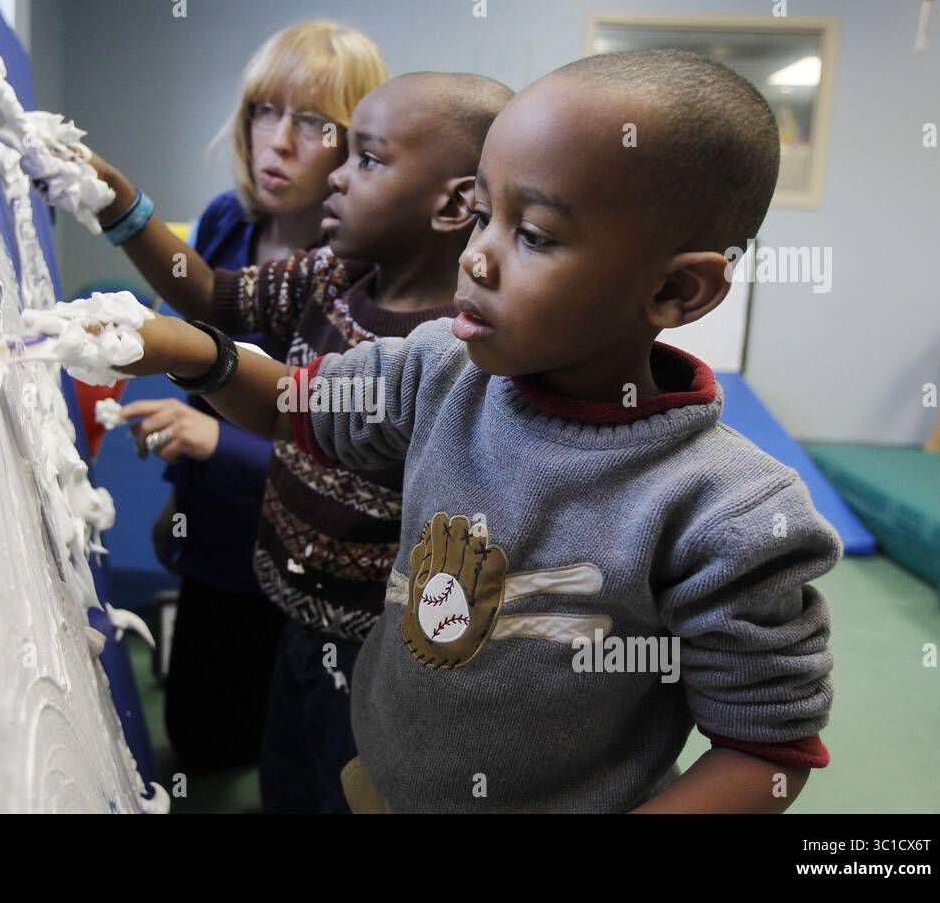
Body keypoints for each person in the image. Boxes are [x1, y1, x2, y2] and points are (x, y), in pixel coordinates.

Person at [119, 50, 840, 813]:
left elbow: (765, 751)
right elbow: (297, 405)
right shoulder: (441, 369)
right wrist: (188, 352)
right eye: (482, 216)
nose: (476, 258)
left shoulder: (727, 513)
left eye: (531, 234)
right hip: (378, 782)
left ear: (675, 289)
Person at [119, 71, 513, 811]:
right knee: (287, 778)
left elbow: (291, 408)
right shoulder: (333, 276)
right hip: (296, 611)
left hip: (380, 657)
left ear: (455, 202)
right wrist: (120, 206)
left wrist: (194, 356)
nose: (334, 174)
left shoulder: (451, 354)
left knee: (348, 789)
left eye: (365, 159)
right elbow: (212, 295)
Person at [87, 21, 388, 769]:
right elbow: (205, 323)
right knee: (203, 739)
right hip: (214, 535)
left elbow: (358, 455)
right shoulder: (225, 221)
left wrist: (218, 443)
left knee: (300, 748)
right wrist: (180, 496)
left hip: (311, 556)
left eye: (317, 122)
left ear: (359, 148)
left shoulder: (361, 275)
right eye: (265, 109)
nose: (279, 140)